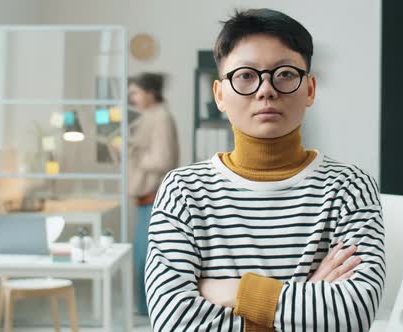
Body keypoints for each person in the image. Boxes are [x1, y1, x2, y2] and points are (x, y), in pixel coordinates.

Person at [145, 9, 384, 331]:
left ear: (310, 89)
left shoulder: (350, 187)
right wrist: (308, 302)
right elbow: (173, 322)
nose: (266, 89)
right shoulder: (183, 191)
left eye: (285, 74)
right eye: (245, 75)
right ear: (219, 95)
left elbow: (352, 316)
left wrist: (235, 291)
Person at [127, 72, 179, 315]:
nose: (132, 97)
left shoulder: (161, 118)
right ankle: (145, 309)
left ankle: (150, 310)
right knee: (142, 254)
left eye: (136, 92)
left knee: (146, 256)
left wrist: (134, 153)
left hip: (154, 197)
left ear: (150, 92)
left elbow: (162, 159)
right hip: (145, 197)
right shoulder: (149, 117)